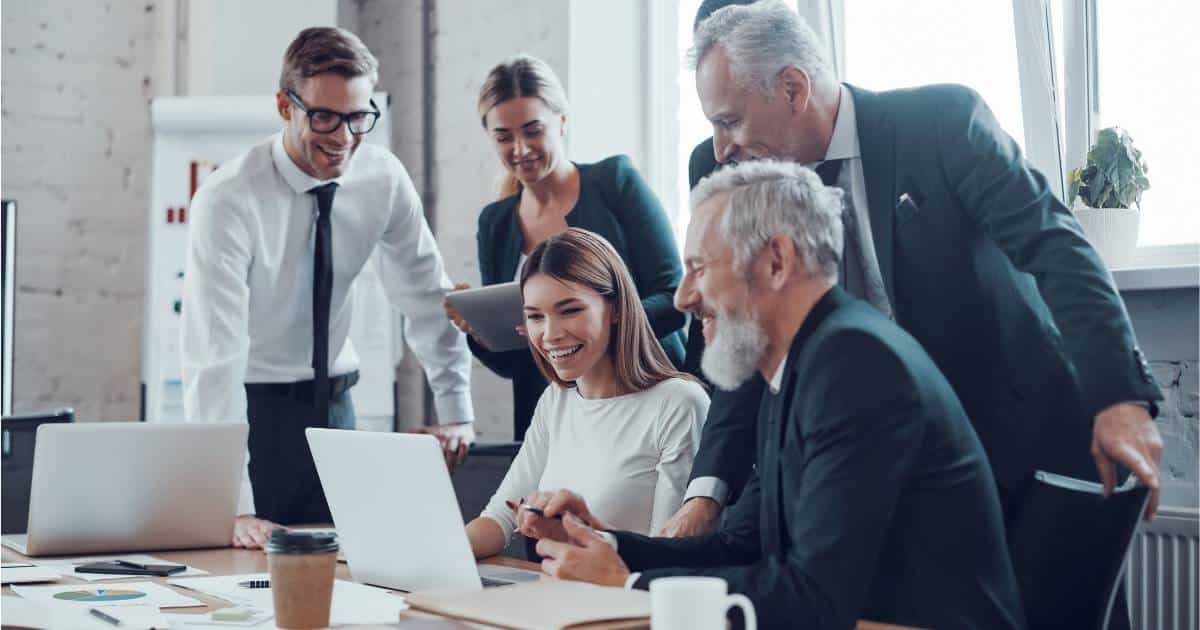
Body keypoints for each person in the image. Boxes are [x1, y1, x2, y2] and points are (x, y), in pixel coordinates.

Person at [662, 0, 1164, 544]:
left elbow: (1054, 246)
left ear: (792, 89)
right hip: (863, 467)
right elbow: (743, 330)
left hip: (1013, 442)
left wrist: (1118, 396)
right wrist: (706, 494)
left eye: (729, 121)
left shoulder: (941, 125)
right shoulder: (732, 173)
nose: (720, 146)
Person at [519, 162, 1026, 629]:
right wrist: (605, 546)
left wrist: (626, 584)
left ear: (776, 261)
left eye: (699, 267)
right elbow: (741, 545)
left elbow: (814, 594)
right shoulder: (799, 362)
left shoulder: (855, 364)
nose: (682, 297)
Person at [181, 27, 475, 548]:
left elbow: (429, 298)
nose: (342, 137)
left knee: (348, 574)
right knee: (251, 585)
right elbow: (214, 357)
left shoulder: (381, 177)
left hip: (338, 411)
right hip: (256, 415)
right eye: (323, 117)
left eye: (358, 118)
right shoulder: (228, 199)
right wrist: (233, 504)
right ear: (284, 105)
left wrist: (455, 412)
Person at [444, 55, 688, 442]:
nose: (520, 149)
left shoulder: (614, 183)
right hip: (552, 419)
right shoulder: (496, 222)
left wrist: (592, 326)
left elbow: (675, 298)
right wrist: (476, 331)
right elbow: (516, 360)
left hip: (640, 397)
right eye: (504, 136)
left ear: (562, 121)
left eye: (532, 130)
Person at [464, 228, 709, 558]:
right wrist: (432, 553)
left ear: (616, 308)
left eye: (570, 311)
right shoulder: (557, 401)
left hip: (624, 604)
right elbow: (499, 519)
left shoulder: (679, 404)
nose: (550, 334)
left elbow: (669, 555)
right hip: (556, 598)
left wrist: (583, 532)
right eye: (535, 317)